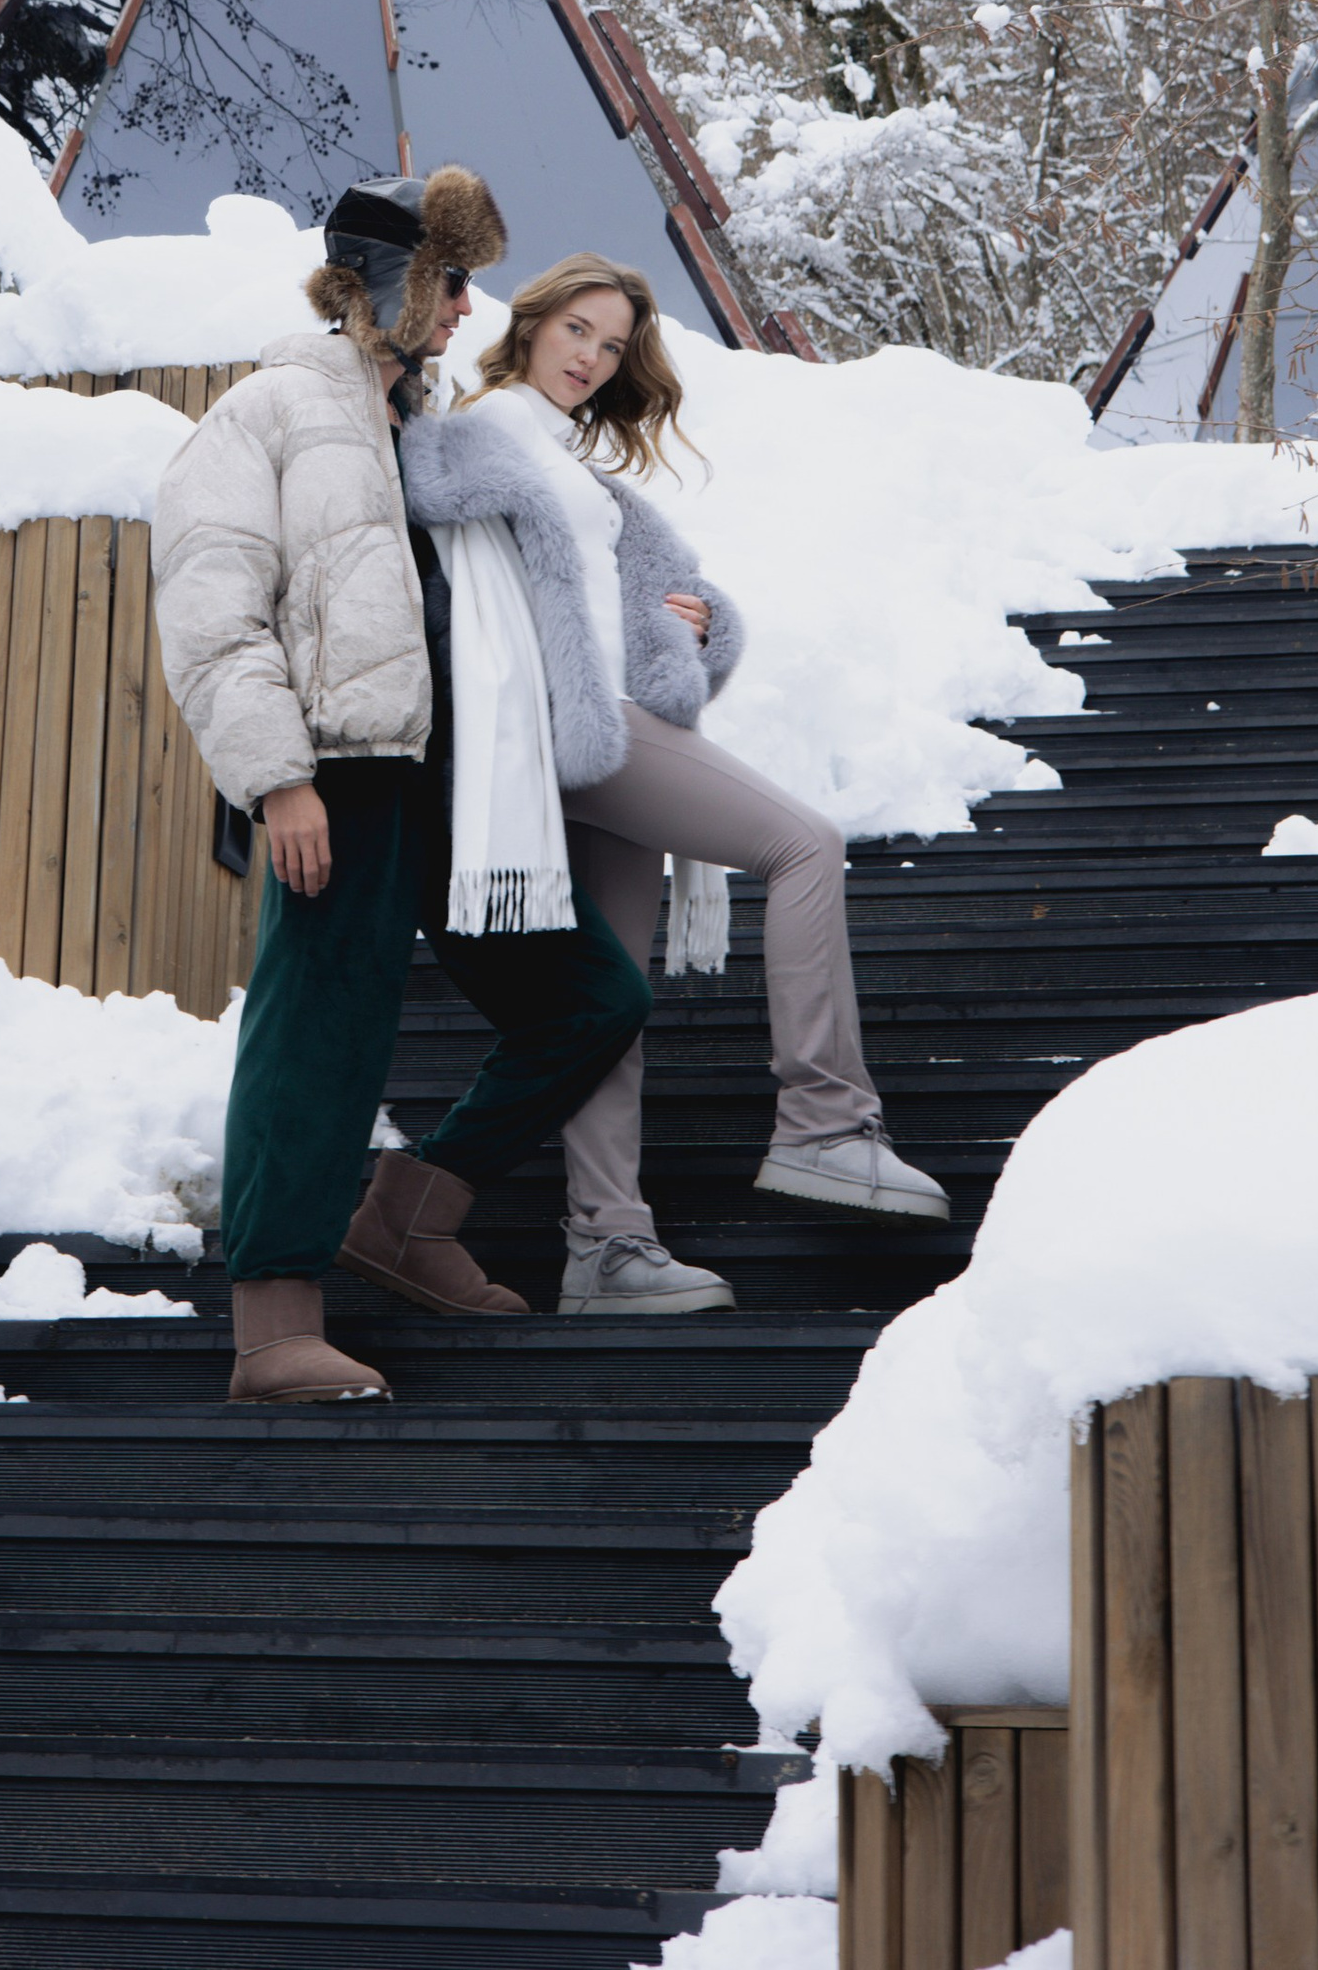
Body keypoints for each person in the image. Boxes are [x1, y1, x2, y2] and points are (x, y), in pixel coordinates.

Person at [152, 169, 655, 1404]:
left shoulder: (419, 433)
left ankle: (411, 1216)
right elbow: (211, 611)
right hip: (337, 776)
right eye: (447, 283)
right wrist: (278, 783)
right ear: (380, 283)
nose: (463, 309)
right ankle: (273, 1325)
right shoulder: (270, 412)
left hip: (458, 785)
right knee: (317, 1033)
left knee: (590, 994)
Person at [401, 253, 947, 1323]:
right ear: (532, 322)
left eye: (611, 349)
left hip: (604, 724)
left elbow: (594, 590)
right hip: (581, 731)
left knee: (613, 1007)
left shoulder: (564, 459)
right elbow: (475, 563)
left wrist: (683, 621)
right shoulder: (481, 439)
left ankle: (605, 1244)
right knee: (802, 843)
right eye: (577, 332)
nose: (592, 361)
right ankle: (826, 1124)